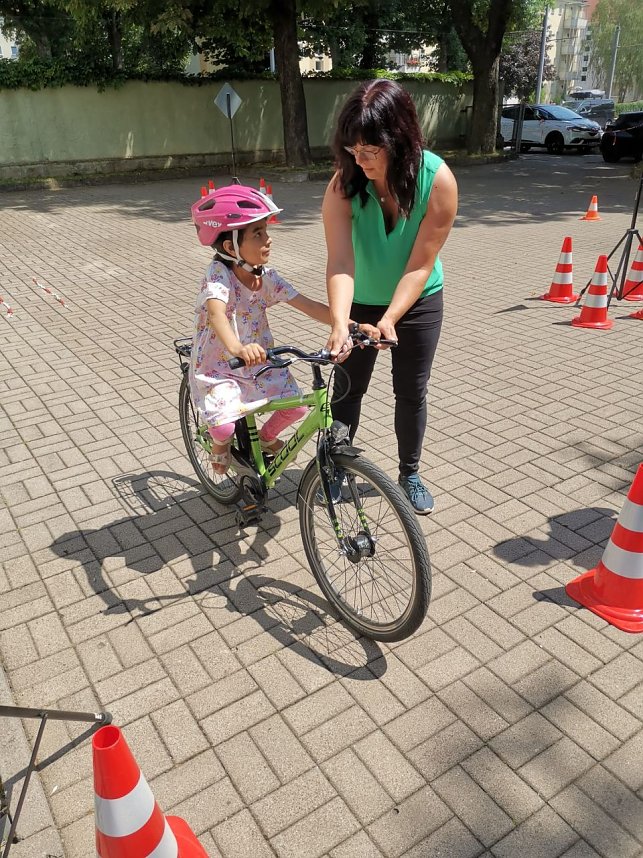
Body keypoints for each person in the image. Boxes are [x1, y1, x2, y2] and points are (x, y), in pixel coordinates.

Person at [322, 79, 458, 514]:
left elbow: (420, 264)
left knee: (411, 391)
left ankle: (410, 471)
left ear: (399, 140)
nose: (358, 161)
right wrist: (340, 323)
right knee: (346, 387)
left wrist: (391, 317)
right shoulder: (343, 184)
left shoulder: (437, 182)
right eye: (352, 150)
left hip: (417, 302)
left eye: (370, 151)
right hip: (359, 298)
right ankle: (337, 464)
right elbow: (341, 262)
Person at [189, 183, 342, 475]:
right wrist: (237, 348)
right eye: (258, 233)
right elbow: (218, 314)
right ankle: (219, 446)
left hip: (259, 361)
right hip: (220, 365)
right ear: (231, 247)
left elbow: (308, 305)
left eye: (266, 231)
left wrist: (347, 324)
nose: (268, 239)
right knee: (223, 426)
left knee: (296, 406)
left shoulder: (267, 277)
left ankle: (267, 437)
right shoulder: (218, 275)